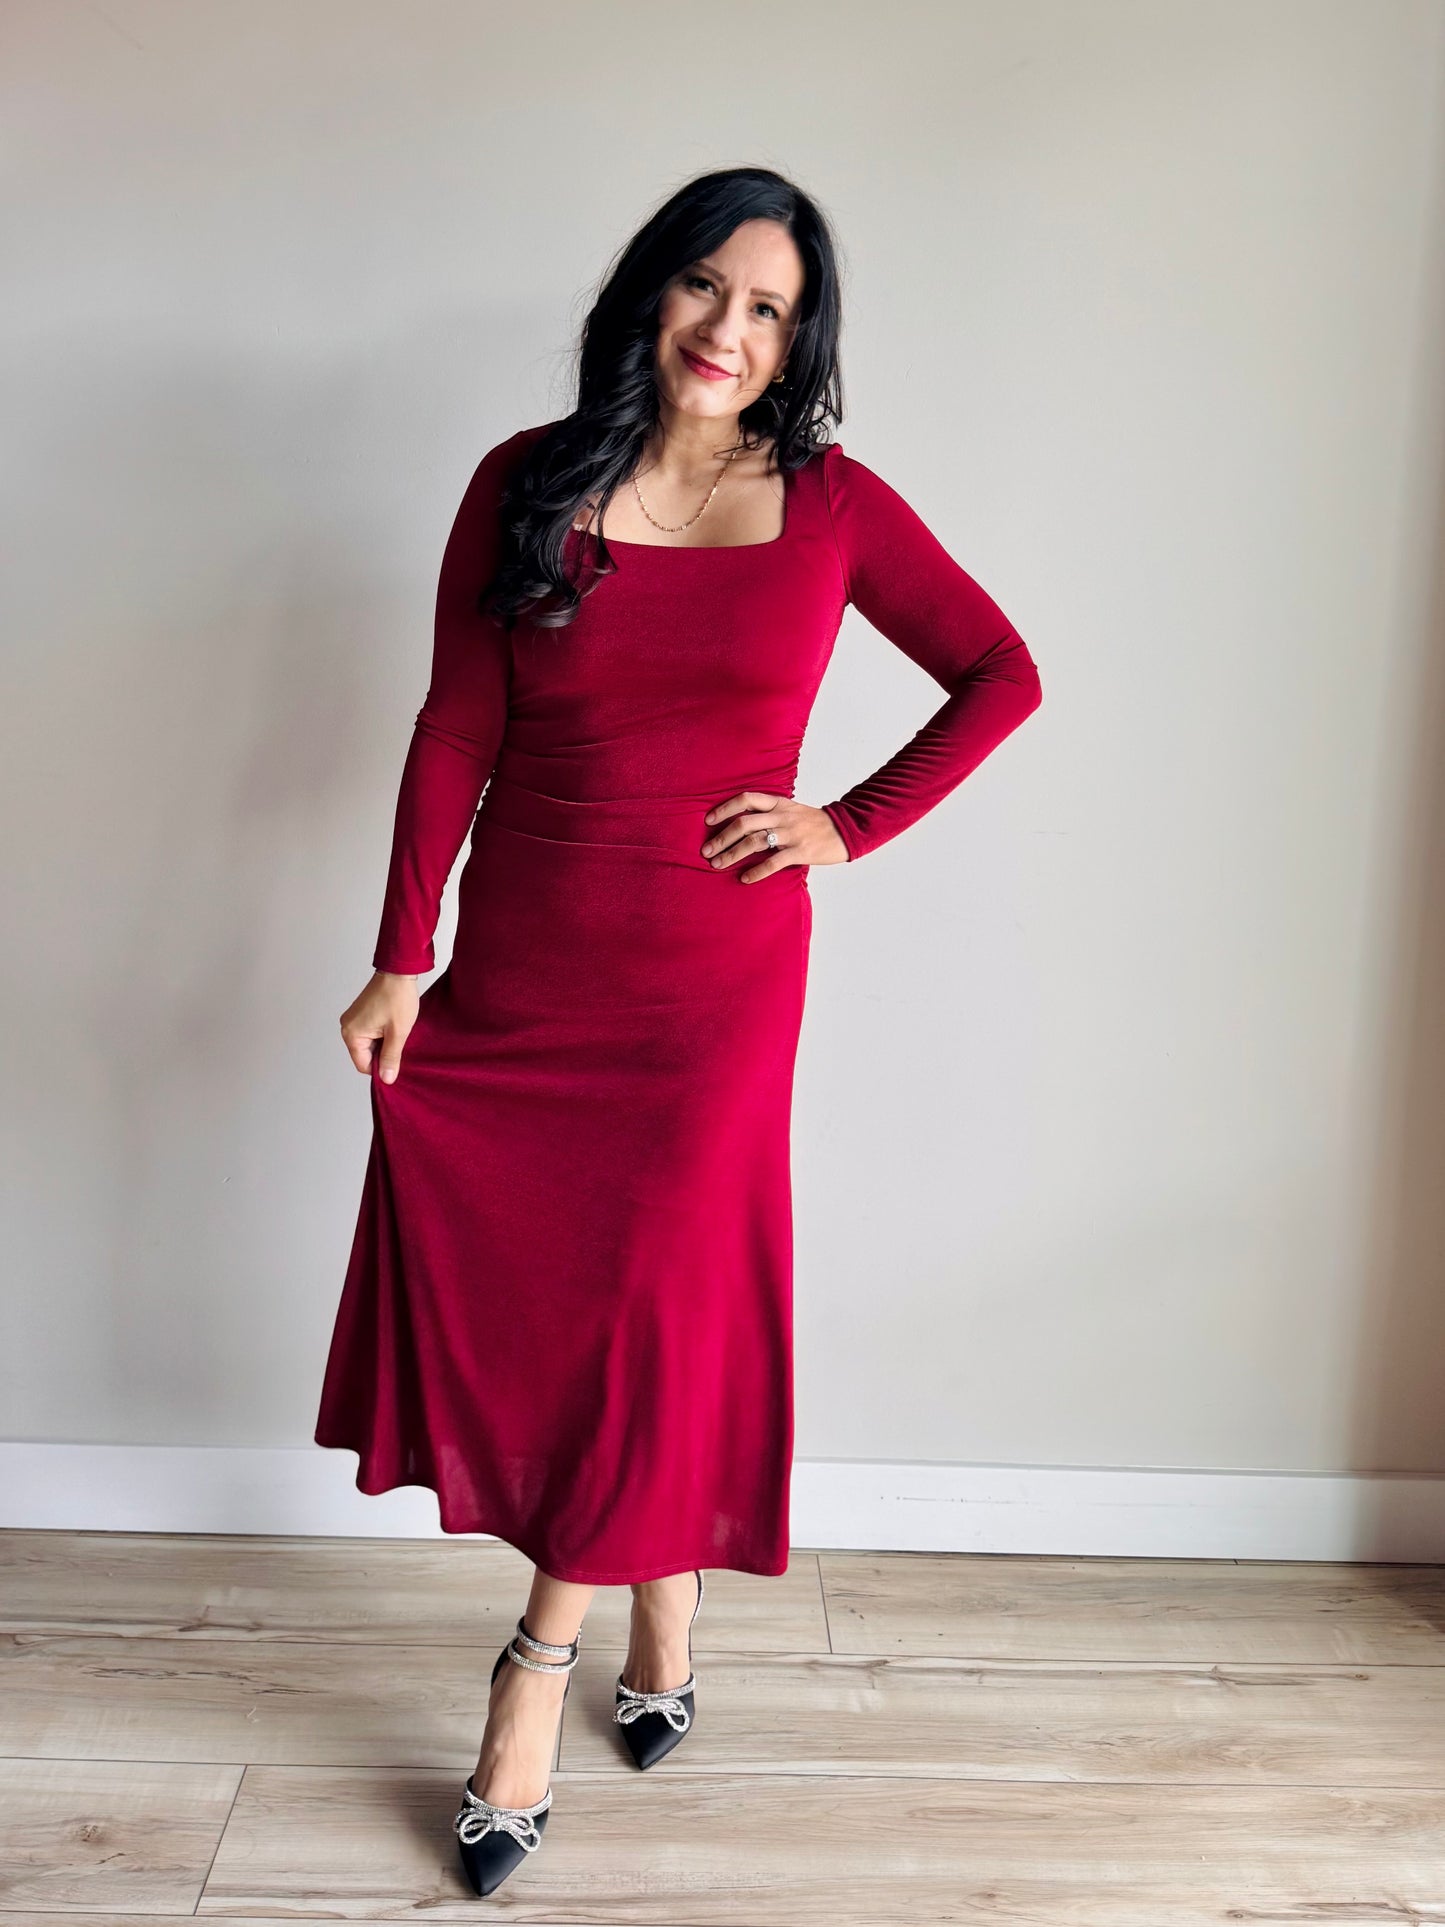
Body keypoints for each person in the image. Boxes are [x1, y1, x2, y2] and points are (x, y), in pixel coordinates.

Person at [314, 163, 1043, 1896]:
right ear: (652, 288)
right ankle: (666, 1593)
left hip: (715, 983)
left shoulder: (833, 504)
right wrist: (404, 952)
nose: (730, 327)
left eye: (770, 307)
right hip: (531, 964)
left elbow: (999, 672)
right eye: (708, 284)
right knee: (571, 1306)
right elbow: (455, 726)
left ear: (800, 340)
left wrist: (844, 825)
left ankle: (534, 1665)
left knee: (647, 1305)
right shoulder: (526, 482)